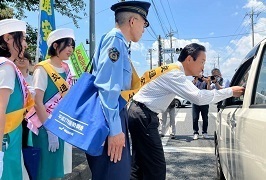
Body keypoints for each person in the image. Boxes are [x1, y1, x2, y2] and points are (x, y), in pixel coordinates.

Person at [128, 43, 245, 180]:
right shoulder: (175, 74)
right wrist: (230, 91)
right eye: (202, 62)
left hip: (139, 113)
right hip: (143, 115)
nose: (203, 67)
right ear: (189, 59)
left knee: (139, 166)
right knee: (156, 169)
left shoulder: (172, 71)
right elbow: (198, 97)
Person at [85, 1, 151, 180]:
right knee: (113, 175)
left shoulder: (119, 42)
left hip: (112, 115)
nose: (144, 29)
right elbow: (107, 88)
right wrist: (114, 130)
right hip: (109, 119)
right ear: (132, 21)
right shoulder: (115, 40)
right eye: (144, 23)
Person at [31, 28, 75, 180]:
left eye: (72, 45)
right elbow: (37, 102)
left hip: (60, 127)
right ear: (55, 46)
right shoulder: (42, 69)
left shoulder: (66, 69)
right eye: (67, 45)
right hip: (45, 128)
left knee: (58, 171)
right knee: (45, 172)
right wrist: (50, 129)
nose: (71, 49)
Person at [0, 19, 30, 180]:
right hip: (6, 141)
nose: (25, 45)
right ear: (7, 38)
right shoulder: (6, 67)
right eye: (23, 38)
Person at [191, 74, 209, 140]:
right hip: (195, 102)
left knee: (205, 118)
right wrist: (194, 81)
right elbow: (191, 90)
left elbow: (209, 89)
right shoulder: (194, 80)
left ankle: (204, 132)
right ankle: (195, 132)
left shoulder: (206, 79)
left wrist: (204, 79)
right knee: (195, 118)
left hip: (204, 102)